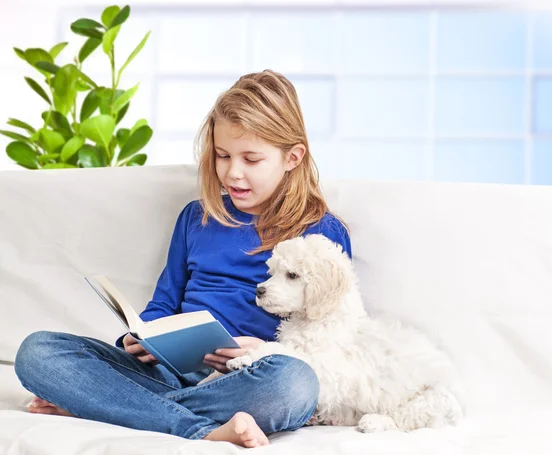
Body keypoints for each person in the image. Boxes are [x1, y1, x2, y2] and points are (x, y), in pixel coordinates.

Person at [14, 70, 352, 448]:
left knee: (296, 384)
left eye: (251, 159)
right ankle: (195, 426)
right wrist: (140, 337)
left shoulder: (321, 231)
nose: (232, 172)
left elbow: (331, 333)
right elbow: (164, 302)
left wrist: (258, 351)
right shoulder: (197, 217)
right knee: (37, 351)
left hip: (249, 377)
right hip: (168, 370)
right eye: (223, 156)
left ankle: (105, 404)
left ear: (292, 157)